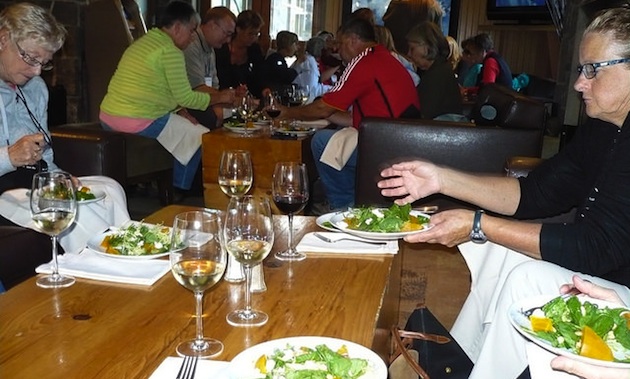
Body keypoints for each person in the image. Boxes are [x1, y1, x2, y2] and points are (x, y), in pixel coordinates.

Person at [377, 7, 630, 378]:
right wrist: (442, 179)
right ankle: (457, 363)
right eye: (580, 69)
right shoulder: (604, 127)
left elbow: (594, 247)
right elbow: (533, 195)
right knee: (498, 249)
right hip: (606, 273)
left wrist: (477, 224)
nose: (579, 83)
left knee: (526, 278)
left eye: (593, 69)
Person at [0, 3, 129, 291]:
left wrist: (60, 177)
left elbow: (45, 153)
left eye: (43, 63)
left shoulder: (36, 89)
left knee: (109, 189)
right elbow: (14, 157)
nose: (36, 71)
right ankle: (101, 282)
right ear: (3, 38)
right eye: (30, 58)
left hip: (34, 182)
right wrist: (9, 156)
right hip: (3, 187)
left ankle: (126, 262)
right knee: (75, 213)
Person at [276, 17, 420, 213]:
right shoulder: (382, 57)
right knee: (335, 140)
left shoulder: (362, 61)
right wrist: (323, 114)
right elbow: (355, 118)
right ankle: (353, 202)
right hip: (400, 138)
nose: (337, 50)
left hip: (386, 145)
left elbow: (324, 107)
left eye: (340, 43)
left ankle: (343, 208)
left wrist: (287, 113)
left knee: (320, 141)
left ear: (352, 40)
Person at [100, 1, 234, 194]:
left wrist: (180, 111)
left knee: (185, 126)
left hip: (108, 116)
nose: (191, 38)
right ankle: (179, 190)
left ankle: (172, 187)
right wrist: (220, 97)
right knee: (199, 135)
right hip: (134, 119)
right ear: (178, 27)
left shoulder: (144, 42)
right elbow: (187, 97)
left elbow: (158, 90)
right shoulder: (171, 51)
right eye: (191, 30)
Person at [183, 6, 238, 129]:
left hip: (201, 100)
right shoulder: (191, 45)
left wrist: (230, 97)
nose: (228, 40)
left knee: (236, 113)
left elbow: (213, 87)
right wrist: (227, 98)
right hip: (186, 103)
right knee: (215, 117)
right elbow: (197, 88)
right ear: (213, 25)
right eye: (227, 33)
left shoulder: (211, 48)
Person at [406, 22, 463, 119]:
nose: (409, 54)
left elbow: (423, 117)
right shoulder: (441, 69)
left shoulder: (437, 76)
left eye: (412, 48)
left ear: (427, 46)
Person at [215, 10, 265, 98]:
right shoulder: (221, 48)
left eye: (257, 34)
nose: (254, 38)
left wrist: (265, 89)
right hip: (223, 98)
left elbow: (261, 77)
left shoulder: (255, 50)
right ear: (238, 29)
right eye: (250, 34)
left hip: (250, 101)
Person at [291, 37, 333, 104]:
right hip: (304, 101)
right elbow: (312, 89)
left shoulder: (307, 59)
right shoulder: (309, 62)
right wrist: (332, 89)